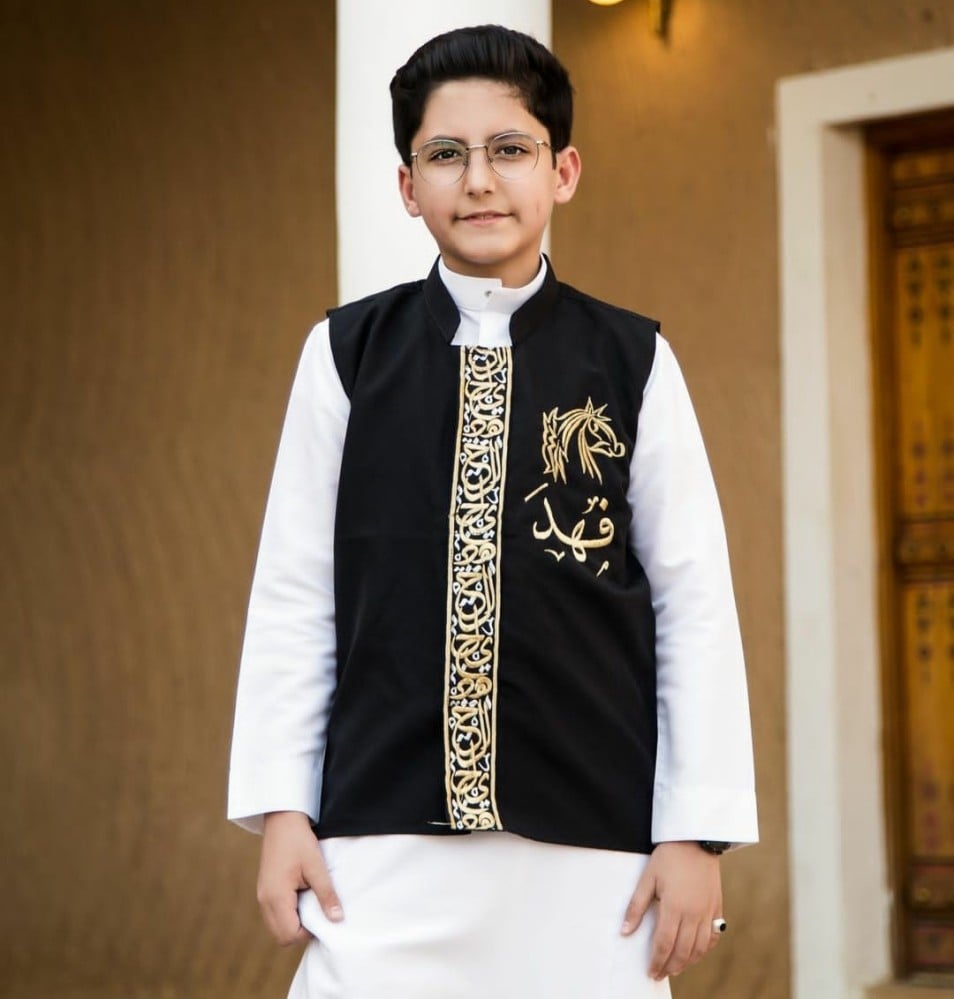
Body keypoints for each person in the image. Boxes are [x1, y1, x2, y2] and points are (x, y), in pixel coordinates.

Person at [228, 23, 758, 999]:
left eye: (509, 149)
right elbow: (297, 592)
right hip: (379, 847)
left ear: (563, 171)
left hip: (597, 854)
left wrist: (695, 831)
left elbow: (693, 601)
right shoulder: (346, 355)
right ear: (408, 185)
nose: (478, 181)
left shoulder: (632, 360)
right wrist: (282, 810)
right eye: (446, 154)